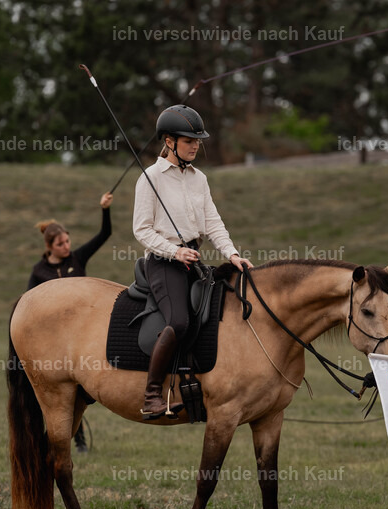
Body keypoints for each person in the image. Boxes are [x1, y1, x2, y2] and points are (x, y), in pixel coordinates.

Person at [133, 104, 253, 418]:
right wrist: (174, 252)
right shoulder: (151, 178)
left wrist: (233, 254)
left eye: (198, 140)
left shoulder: (199, 178)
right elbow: (141, 229)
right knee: (180, 321)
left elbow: (213, 222)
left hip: (193, 261)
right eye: (190, 140)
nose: (196, 145)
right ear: (169, 141)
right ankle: (151, 395)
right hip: (163, 262)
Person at [27, 192, 115, 452]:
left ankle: (79, 441)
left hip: (80, 335)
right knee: (60, 393)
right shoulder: (38, 272)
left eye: (67, 241)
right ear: (49, 247)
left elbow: (104, 235)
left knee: (79, 391)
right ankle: (58, 438)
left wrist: (105, 210)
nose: (66, 246)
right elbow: (28, 303)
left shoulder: (77, 258)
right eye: (61, 244)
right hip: (52, 339)